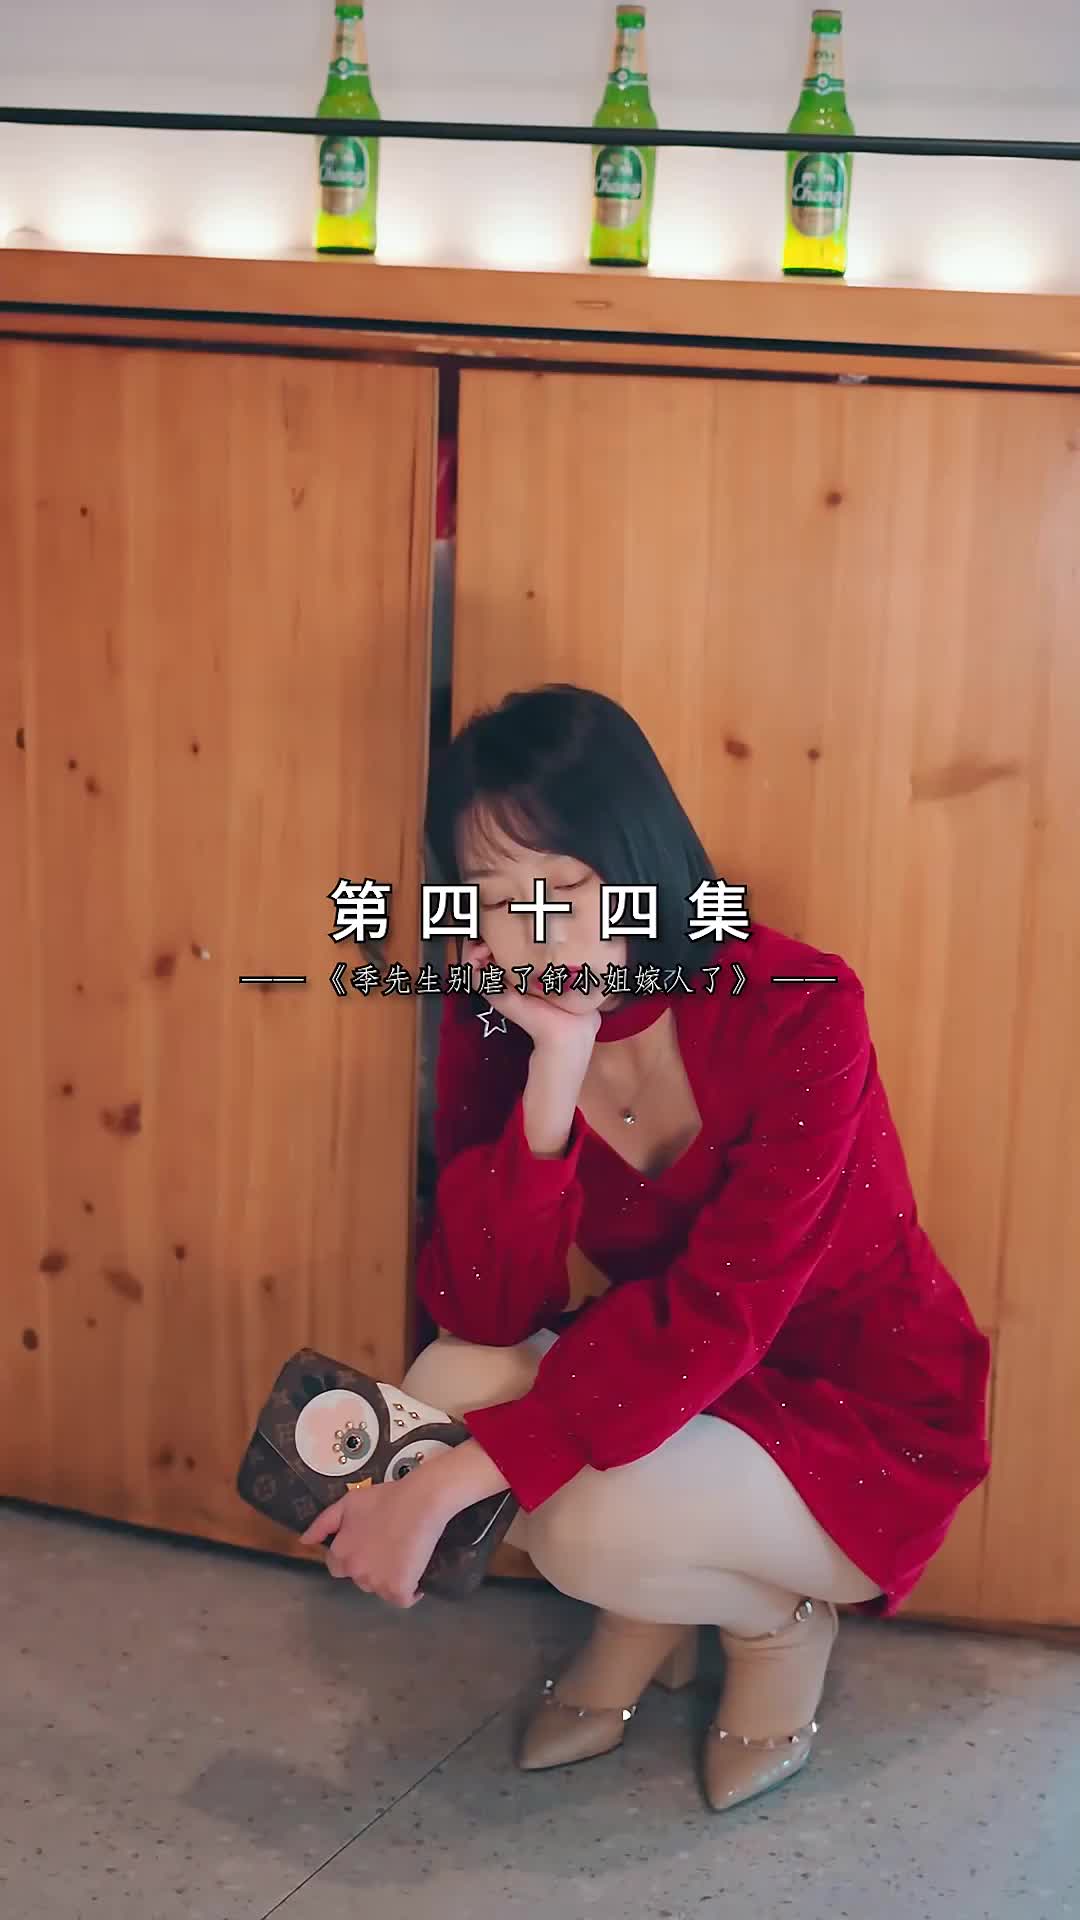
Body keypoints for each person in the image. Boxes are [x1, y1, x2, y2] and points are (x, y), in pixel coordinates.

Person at [302, 683, 991, 1814]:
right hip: (674, 1380)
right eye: (493, 899)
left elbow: (730, 1305)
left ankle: (772, 1626)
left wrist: (451, 1485)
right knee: (452, 1378)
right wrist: (552, 1077)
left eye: (564, 889)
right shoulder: (501, 1015)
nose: (530, 933)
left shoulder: (799, 1005)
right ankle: (654, 1604)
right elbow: (485, 1310)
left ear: (638, 863)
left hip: (859, 1401)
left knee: (576, 1519)